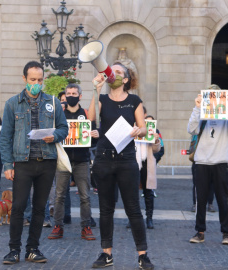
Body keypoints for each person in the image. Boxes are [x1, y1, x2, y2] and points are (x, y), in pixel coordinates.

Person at [0, 61, 68, 264]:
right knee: (19, 206)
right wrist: (7, 165)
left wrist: (55, 135)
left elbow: (64, 128)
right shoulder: (13, 103)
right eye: (32, 80)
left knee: (40, 207)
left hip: (46, 161)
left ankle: (33, 248)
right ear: (24, 79)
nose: (36, 83)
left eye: (39, 80)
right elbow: (6, 136)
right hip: (23, 161)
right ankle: (14, 249)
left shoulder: (53, 103)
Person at [88, 62, 154, 269]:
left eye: (117, 72)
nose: (112, 74)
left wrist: (138, 131)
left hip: (126, 159)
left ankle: (142, 255)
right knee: (106, 209)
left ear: (125, 79)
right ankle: (106, 253)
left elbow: (143, 129)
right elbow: (91, 118)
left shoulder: (134, 100)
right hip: (104, 158)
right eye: (110, 71)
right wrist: (95, 90)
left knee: (133, 208)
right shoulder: (102, 98)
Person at [187, 84, 228, 245]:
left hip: (220, 162)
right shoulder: (202, 114)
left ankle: (226, 233)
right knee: (200, 199)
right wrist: (196, 109)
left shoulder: (226, 115)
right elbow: (191, 129)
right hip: (202, 161)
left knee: (223, 200)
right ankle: (200, 231)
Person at [48, 83, 96, 241]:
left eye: (74, 93)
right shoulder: (60, 114)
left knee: (85, 196)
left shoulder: (87, 114)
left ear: (80, 96)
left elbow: (93, 140)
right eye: (68, 93)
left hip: (82, 160)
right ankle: (58, 226)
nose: (71, 96)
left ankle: (86, 227)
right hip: (63, 160)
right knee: (59, 195)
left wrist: (95, 134)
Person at [135, 109, 162, 230]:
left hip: (147, 162)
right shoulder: (133, 127)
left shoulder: (152, 129)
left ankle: (149, 218)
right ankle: (133, 218)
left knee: (148, 192)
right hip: (135, 162)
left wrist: (156, 140)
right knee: (133, 193)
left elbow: (157, 150)